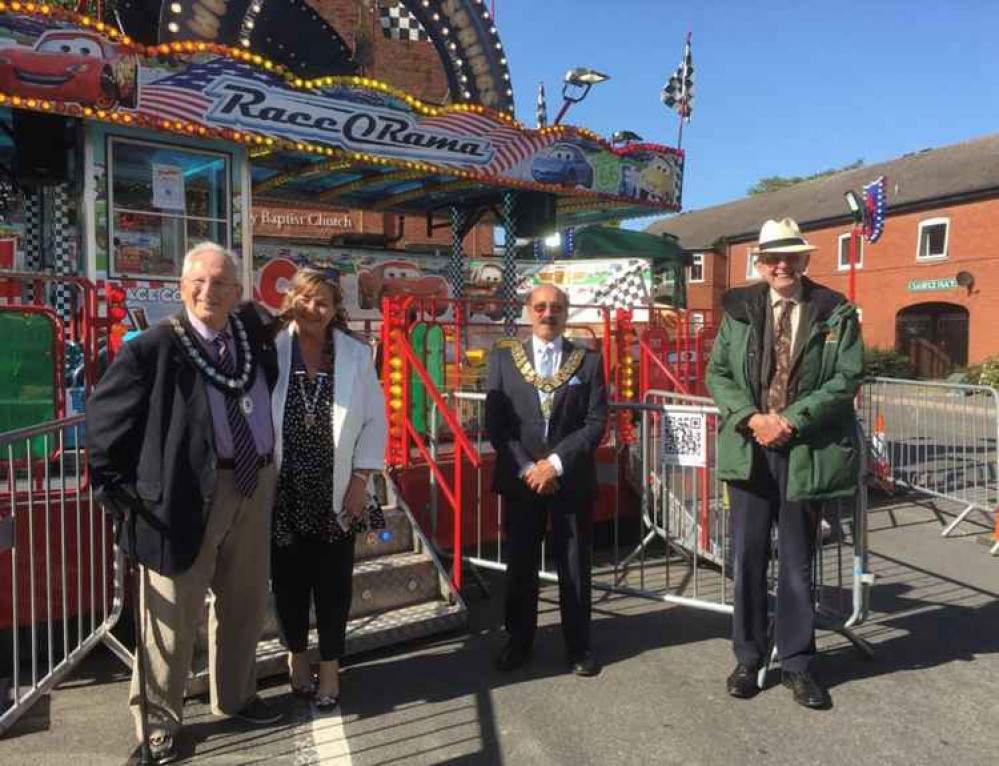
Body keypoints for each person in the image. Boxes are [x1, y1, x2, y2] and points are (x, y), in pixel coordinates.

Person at [87, 243, 282, 764]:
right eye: (198, 281)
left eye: (220, 283)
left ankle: (236, 697)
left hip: (255, 483)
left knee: (243, 605)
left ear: (238, 293)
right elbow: (106, 422)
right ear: (181, 287)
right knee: (170, 618)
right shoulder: (154, 347)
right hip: (183, 496)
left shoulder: (254, 337)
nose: (208, 291)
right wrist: (120, 492)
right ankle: (158, 726)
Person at [705, 217, 864, 709]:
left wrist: (790, 421)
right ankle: (749, 657)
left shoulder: (834, 311)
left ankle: (797, 662)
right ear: (760, 262)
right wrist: (752, 418)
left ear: (805, 260)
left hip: (804, 451)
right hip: (750, 449)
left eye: (791, 256)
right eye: (773, 256)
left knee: (797, 562)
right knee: (748, 558)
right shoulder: (738, 308)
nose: (782, 264)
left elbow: (846, 376)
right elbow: (719, 372)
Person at [270, 269, 387, 711]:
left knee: (334, 585)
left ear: (336, 308)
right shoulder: (272, 349)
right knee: (288, 584)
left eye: (323, 301)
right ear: (291, 300)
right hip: (284, 490)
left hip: (338, 490)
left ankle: (332, 667)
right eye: (305, 298)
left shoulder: (356, 355)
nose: (313, 308)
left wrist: (361, 481)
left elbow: (375, 421)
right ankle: (297, 656)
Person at [485, 284, 608, 676]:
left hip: (569, 478)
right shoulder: (504, 360)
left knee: (575, 565)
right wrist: (529, 469)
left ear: (566, 312)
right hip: (522, 479)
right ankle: (518, 641)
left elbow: (596, 422)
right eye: (540, 306)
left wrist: (554, 464)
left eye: (556, 307)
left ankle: (579, 646)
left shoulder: (587, 361)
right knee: (520, 563)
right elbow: (497, 426)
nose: (547, 313)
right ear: (528, 310)